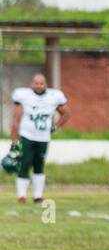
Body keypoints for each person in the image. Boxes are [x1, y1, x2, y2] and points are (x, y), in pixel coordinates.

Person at [7, 73, 70, 204]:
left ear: (46, 84)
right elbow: (15, 119)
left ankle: (38, 196)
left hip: (43, 138)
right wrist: (14, 141)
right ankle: (21, 196)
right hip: (27, 136)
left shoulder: (54, 96)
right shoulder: (24, 96)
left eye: (41, 83)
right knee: (24, 165)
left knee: (39, 166)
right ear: (32, 84)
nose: (39, 86)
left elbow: (67, 113)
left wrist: (56, 127)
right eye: (36, 83)